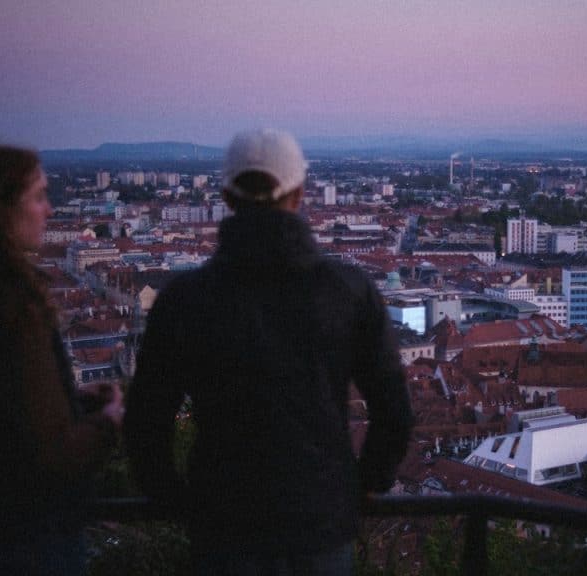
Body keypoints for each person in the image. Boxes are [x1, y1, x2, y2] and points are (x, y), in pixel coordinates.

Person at [125, 130, 413, 575]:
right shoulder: (348, 291)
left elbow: (146, 421)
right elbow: (394, 412)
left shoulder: (184, 299)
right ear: (299, 195)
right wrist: (362, 489)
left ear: (225, 196)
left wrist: (175, 501)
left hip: (222, 525)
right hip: (319, 523)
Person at [0, 146, 123, 575]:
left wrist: (69, 399)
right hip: (36, 534)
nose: (49, 210)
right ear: (2, 209)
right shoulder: (14, 304)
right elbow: (52, 456)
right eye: (38, 196)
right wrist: (109, 419)